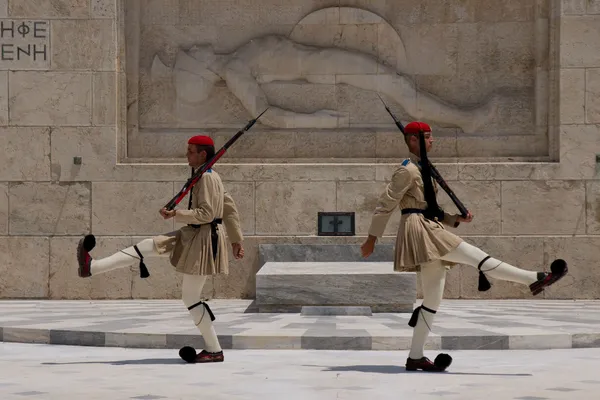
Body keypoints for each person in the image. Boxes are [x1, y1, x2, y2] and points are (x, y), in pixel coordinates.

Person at [360, 121, 568, 372]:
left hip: (428, 223)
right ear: (413, 140)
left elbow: (430, 207)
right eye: (427, 137)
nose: (432, 141)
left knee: (432, 299)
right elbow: (387, 203)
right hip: (421, 229)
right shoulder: (407, 170)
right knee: (476, 257)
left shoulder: (423, 168)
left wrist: (454, 219)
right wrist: (372, 238)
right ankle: (534, 278)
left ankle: (415, 357)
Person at [76, 135, 245, 364]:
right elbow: (229, 208)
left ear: (203, 154)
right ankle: (91, 267)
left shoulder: (206, 178)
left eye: (191, 151)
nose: (187, 155)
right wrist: (236, 241)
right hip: (193, 235)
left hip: (202, 240)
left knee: (191, 298)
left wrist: (177, 214)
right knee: (148, 246)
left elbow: (207, 214)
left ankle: (214, 350)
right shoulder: (208, 176)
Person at [151, 34, 498, 133]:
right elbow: (266, 115)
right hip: (327, 66)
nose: (196, 45)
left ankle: (462, 119)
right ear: (201, 67)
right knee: (400, 88)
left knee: (399, 85)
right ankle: (465, 120)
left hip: (325, 60)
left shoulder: (238, 61)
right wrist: (315, 119)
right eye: (192, 53)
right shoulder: (236, 70)